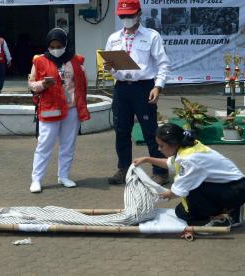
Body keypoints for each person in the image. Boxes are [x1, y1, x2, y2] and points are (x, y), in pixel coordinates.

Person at [133, 123, 245, 227]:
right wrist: (147, 159)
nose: (159, 149)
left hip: (236, 190)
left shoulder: (189, 159)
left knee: (187, 206)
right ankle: (228, 206)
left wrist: (152, 196)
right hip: (230, 185)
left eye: (162, 145)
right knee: (183, 209)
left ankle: (225, 215)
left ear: (173, 144)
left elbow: (178, 190)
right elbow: (170, 164)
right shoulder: (185, 147)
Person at [105, 0, 170, 185]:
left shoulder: (151, 36)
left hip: (144, 87)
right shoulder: (114, 38)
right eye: (123, 16)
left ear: (139, 13)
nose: (126, 19)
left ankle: (161, 172)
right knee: (121, 131)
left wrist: (158, 86)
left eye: (130, 15)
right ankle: (123, 169)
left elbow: (163, 64)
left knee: (150, 132)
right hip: (121, 88)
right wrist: (109, 67)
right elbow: (111, 66)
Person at [28, 28, 90, 193]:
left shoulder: (76, 60)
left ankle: (64, 176)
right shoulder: (39, 61)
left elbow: (82, 84)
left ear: (65, 44)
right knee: (44, 145)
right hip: (50, 109)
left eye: (59, 45)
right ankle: (36, 179)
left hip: (71, 109)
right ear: (48, 45)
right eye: (52, 46)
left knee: (68, 145)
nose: (56, 49)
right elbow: (31, 84)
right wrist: (42, 85)